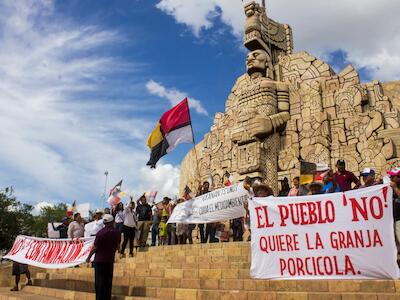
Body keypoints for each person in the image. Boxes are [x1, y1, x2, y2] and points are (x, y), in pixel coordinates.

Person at [86, 214, 120, 300]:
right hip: (110, 260)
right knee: (108, 282)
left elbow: (95, 247)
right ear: (112, 222)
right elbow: (117, 246)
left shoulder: (100, 233)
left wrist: (88, 257)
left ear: (104, 223)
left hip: (100, 261)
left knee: (100, 283)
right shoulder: (117, 233)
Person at [388, 168, 400, 248]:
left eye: (392, 176)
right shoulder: (391, 187)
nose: (390, 178)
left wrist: (395, 188)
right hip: (393, 218)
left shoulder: (395, 187)